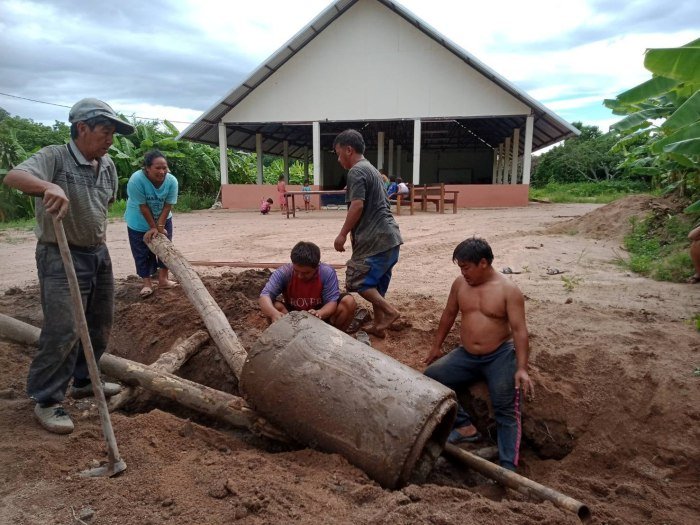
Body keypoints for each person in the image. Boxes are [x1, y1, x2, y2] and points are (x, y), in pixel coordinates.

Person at [2, 98, 133, 434]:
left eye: (113, 134)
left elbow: (104, 206)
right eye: (105, 132)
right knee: (63, 328)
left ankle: (85, 379)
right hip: (60, 255)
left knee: (99, 322)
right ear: (82, 128)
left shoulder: (107, 165)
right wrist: (49, 185)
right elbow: (14, 177)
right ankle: (47, 399)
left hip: (97, 253)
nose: (110, 140)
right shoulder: (54, 156)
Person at [423, 237, 533, 471]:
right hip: (467, 355)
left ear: (483, 263)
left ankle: (508, 467)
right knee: (430, 377)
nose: (463, 273)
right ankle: (464, 427)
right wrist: (436, 346)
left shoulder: (508, 290)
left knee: (505, 407)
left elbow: (520, 331)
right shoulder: (460, 285)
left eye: (466, 267)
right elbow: (449, 314)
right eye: (460, 268)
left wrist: (522, 368)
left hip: (500, 355)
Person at [333, 129, 403, 338]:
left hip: (376, 239)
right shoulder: (372, 169)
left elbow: (357, 206)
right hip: (391, 238)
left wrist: (342, 234)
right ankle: (379, 324)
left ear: (349, 150)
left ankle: (390, 312)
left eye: (338, 154)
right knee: (377, 285)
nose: (338, 159)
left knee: (359, 282)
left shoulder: (356, 171)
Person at [259, 241, 357, 331]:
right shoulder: (284, 272)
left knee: (348, 302)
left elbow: (332, 302)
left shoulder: (326, 272)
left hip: (319, 316)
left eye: (306, 273)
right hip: (293, 317)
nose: (300, 276)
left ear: (317, 267)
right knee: (273, 306)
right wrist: (273, 314)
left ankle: (337, 338)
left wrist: (320, 313)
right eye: (296, 271)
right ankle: (285, 337)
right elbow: (264, 296)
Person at [124, 150, 179, 298]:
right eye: (157, 168)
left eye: (164, 168)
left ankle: (163, 280)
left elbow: (168, 205)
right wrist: (152, 227)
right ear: (147, 168)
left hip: (164, 218)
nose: (162, 172)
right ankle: (147, 283)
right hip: (138, 221)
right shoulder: (136, 180)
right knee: (142, 253)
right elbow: (143, 207)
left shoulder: (172, 181)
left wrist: (159, 227)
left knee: (166, 249)